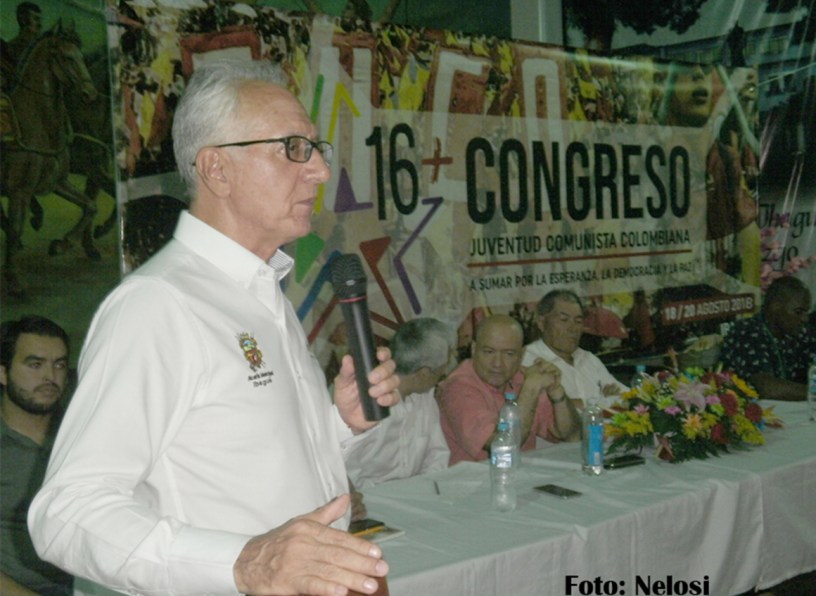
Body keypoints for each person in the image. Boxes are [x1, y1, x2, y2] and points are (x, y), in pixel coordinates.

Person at [28, 59, 400, 596]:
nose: (319, 170)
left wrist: (337, 423)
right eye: (293, 148)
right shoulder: (159, 304)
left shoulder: (261, 291)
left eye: (316, 149)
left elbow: (244, 467)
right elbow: (66, 513)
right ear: (217, 170)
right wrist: (243, 562)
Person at [438, 314, 580, 465]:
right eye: (489, 352)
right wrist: (530, 390)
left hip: (519, 473)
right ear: (474, 349)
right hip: (475, 477)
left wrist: (557, 392)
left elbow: (571, 435)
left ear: (521, 355)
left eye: (509, 354)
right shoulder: (458, 387)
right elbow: (504, 446)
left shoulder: (521, 377)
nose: (497, 363)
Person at [1, 316, 73, 595]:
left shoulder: (83, 432)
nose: (50, 377)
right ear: (3, 373)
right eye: (35, 365)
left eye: (59, 365)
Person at [344, 318, 452, 488]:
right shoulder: (367, 401)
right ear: (424, 373)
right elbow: (347, 471)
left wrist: (426, 490)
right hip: (371, 496)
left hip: (420, 493)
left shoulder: (425, 396)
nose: (446, 370)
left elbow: (437, 455)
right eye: (444, 365)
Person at [522, 290, 625, 410]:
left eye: (578, 321)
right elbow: (545, 408)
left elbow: (625, 396)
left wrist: (579, 403)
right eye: (564, 320)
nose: (573, 328)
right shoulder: (528, 360)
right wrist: (602, 400)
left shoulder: (588, 358)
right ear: (541, 323)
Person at [721, 276, 813, 401]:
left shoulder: (798, 333)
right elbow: (766, 388)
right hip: (751, 410)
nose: (805, 319)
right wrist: (812, 392)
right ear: (775, 306)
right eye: (798, 312)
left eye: (806, 312)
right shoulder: (747, 331)